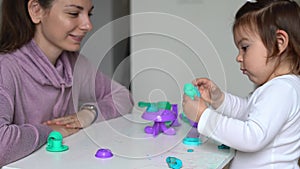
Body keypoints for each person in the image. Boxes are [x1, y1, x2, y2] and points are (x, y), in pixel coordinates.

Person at [0, 0, 133, 166]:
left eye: (89, 14)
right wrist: (51, 131)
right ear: (36, 11)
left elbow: (123, 97)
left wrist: (88, 114)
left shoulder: (74, 65)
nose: (88, 25)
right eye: (73, 13)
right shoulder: (5, 68)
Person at [182, 0, 300, 168]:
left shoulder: (282, 90)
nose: (238, 57)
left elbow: (252, 137)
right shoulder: (278, 87)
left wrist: (203, 117)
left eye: (245, 47)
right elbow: (248, 111)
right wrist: (219, 99)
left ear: (279, 42)